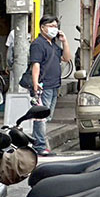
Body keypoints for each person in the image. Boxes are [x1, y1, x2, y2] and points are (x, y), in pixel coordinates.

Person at [26, 15, 72, 155]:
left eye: (56, 26)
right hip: (43, 85)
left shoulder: (53, 44)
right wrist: (35, 84)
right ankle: (39, 146)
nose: (54, 29)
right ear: (42, 27)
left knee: (46, 116)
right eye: (51, 26)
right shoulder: (38, 44)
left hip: (54, 85)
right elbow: (36, 65)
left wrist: (65, 42)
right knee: (41, 117)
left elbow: (66, 58)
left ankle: (37, 143)